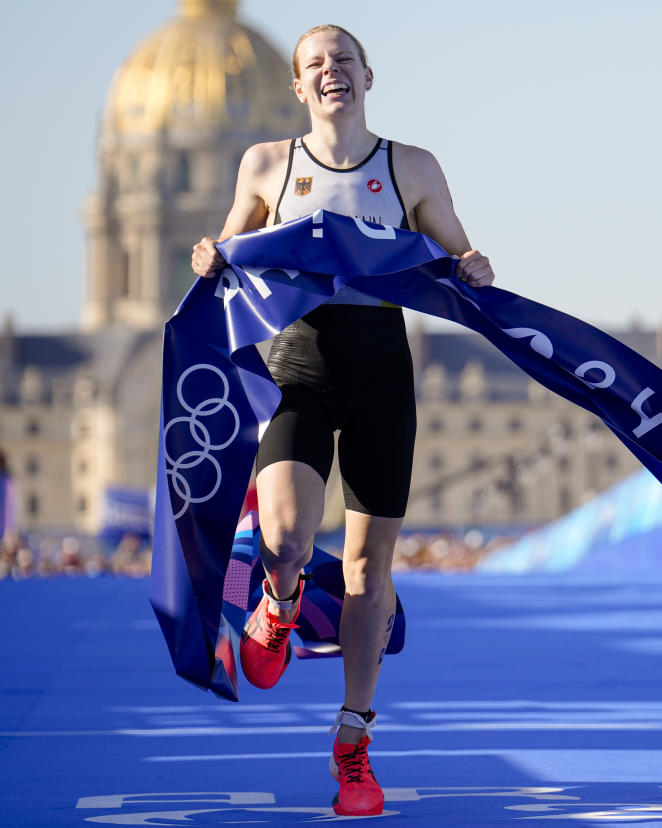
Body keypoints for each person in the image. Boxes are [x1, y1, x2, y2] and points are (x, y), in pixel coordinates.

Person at [190, 24, 494, 816]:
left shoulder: (411, 167)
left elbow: (459, 253)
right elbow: (230, 246)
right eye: (316, 65)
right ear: (298, 87)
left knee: (367, 573)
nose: (333, 72)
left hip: (381, 374)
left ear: (368, 76)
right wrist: (210, 255)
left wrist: (475, 264)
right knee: (287, 537)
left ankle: (354, 744)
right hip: (298, 366)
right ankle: (281, 601)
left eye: (345, 61)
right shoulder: (268, 164)